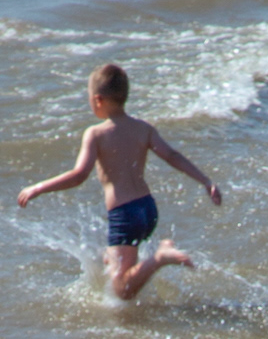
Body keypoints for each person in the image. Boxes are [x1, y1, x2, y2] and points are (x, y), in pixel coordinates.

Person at [17, 63, 222, 300]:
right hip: (147, 209)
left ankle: (160, 257)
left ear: (98, 100)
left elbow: (79, 174)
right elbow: (172, 156)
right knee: (113, 262)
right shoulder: (143, 128)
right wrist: (206, 181)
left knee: (120, 289)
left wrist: (38, 188)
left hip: (125, 214)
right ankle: (139, 263)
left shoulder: (96, 134)